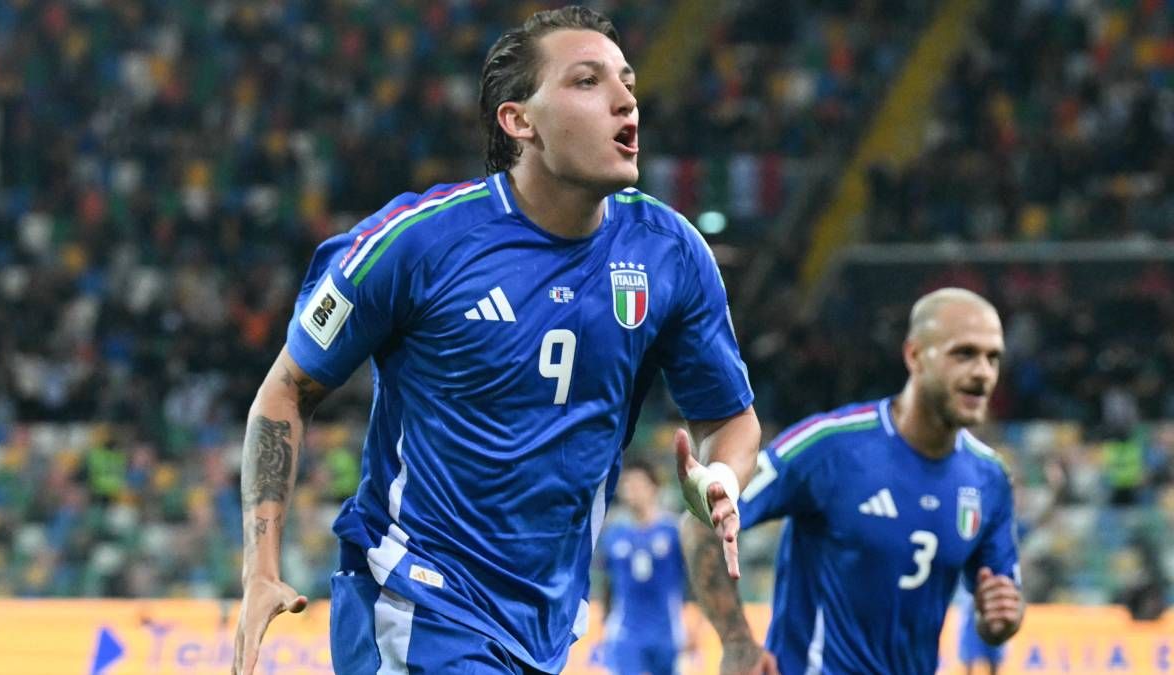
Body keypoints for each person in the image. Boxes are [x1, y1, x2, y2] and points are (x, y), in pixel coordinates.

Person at [232, 6, 760, 675]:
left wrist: (721, 477)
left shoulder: (669, 254)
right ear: (519, 121)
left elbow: (729, 419)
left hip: (543, 626)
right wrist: (260, 568)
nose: (626, 99)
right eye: (588, 81)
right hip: (415, 603)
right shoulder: (417, 243)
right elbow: (286, 388)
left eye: (627, 82)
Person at [682, 287, 1024, 675]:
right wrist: (737, 642)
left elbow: (1000, 604)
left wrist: (1002, 618)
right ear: (914, 355)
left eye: (993, 358)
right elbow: (703, 520)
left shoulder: (989, 479)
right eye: (964, 354)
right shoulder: (828, 447)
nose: (983, 372)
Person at [599, 459, 689, 675]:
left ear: (654, 487)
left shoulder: (674, 532)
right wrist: (605, 618)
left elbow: (692, 580)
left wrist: (695, 624)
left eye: (637, 484)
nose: (631, 490)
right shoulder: (614, 535)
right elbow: (607, 581)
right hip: (626, 631)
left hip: (667, 631)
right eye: (626, 485)